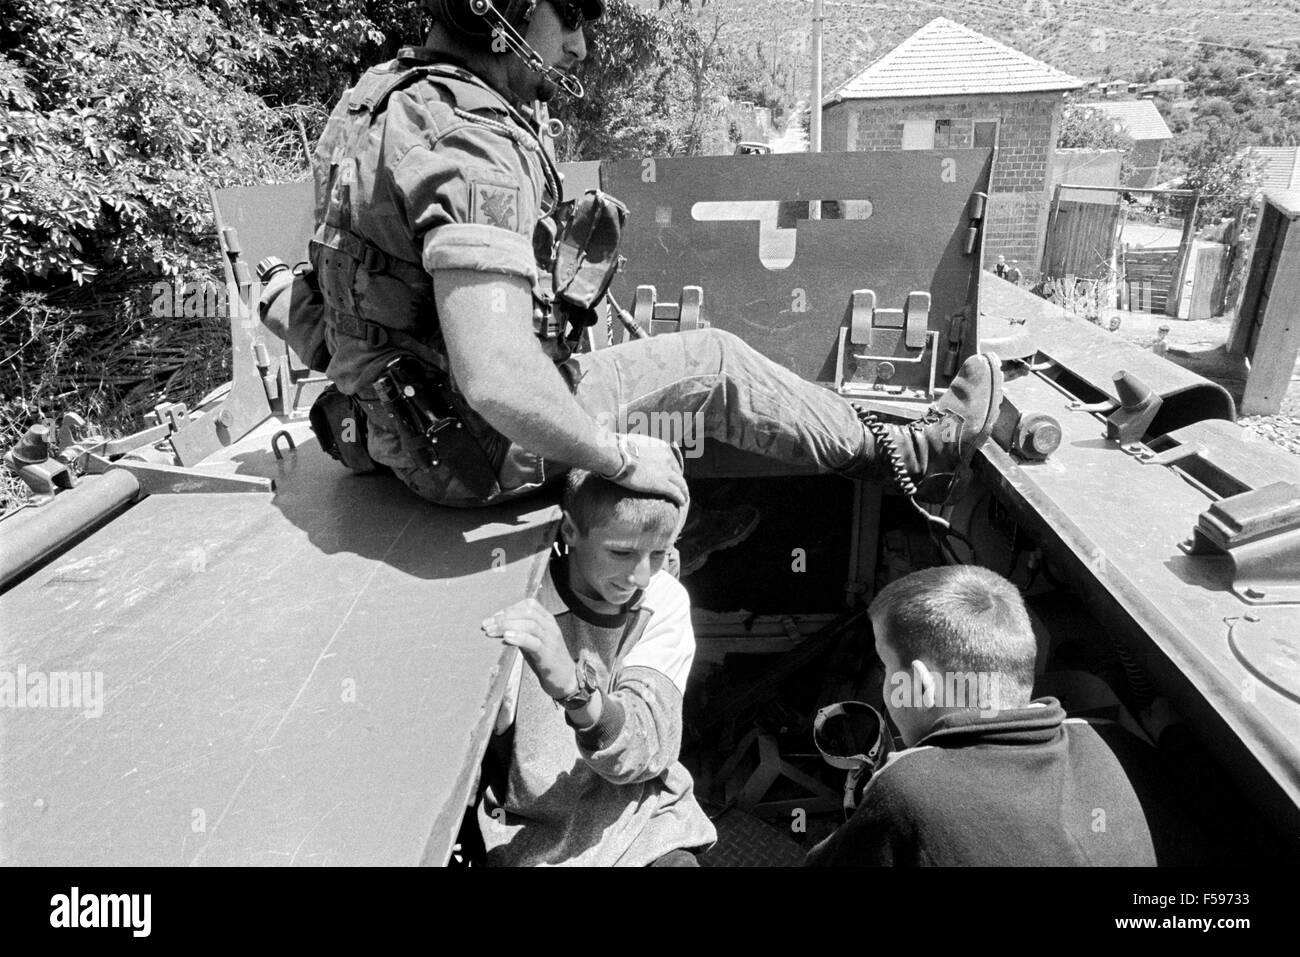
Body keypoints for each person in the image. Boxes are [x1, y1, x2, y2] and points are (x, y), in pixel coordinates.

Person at [306, 0, 1002, 537]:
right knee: (716, 360)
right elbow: (497, 377)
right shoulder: (471, 140)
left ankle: (679, 537)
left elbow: (330, 292)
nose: (577, 45)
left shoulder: (379, 98)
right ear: (502, 8)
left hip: (391, 433)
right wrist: (614, 458)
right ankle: (913, 454)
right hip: (478, 450)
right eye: (570, 14)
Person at [806, 565, 1199, 866]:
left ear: (920, 685)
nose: (883, 685)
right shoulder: (1114, 741)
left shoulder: (907, 787)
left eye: (887, 669)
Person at [476, 468, 716, 865]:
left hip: (647, 821)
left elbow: (644, 753)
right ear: (569, 531)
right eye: (621, 552)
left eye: (658, 553)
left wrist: (573, 689)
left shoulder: (662, 598)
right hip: (534, 840)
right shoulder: (517, 606)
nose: (640, 576)